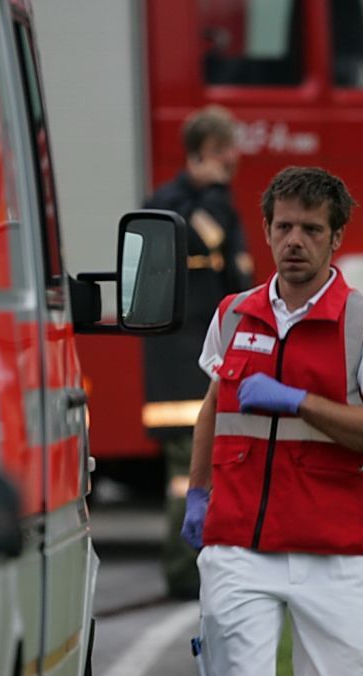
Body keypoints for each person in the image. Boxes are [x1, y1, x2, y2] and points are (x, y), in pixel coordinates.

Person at [181, 166, 363, 676]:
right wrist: (198, 493)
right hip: (238, 547)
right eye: (284, 226)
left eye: (311, 229)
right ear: (267, 230)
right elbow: (212, 410)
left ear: (336, 238)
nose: (295, 241)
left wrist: (299, 402)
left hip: (337, 554)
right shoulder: (233, 314)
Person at [142, 105, 253, 599]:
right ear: (202, 154)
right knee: (188, 472)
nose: (232, 158)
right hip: (182, 368)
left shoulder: (213, 200)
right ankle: (183, 573)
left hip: (207, 359)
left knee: (210, 468)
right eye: (223, 150)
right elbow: (207, 235)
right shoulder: (172, 204)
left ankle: (203, 569)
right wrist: (213, 194)